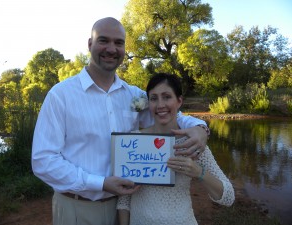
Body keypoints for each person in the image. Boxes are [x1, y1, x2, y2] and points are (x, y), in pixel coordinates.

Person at [31, 17, 209, 225]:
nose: (111, 49)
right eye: (103, 40)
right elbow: (43, 161)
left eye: (119, 43)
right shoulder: (61, 95)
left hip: (124, 208)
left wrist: (199, 127)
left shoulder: (133, 96)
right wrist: (101, 183)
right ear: (90, 44)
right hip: (78, 208)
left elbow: (166, 113)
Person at [117, 73, 235, 225]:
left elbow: (228, 197)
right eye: (154, 98)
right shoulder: (133, 141)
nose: (160, 105)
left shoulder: (192, 143)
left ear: (179, 101)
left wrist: (199, 172)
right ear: (149, 104)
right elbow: (124, 200)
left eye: (167, 97)